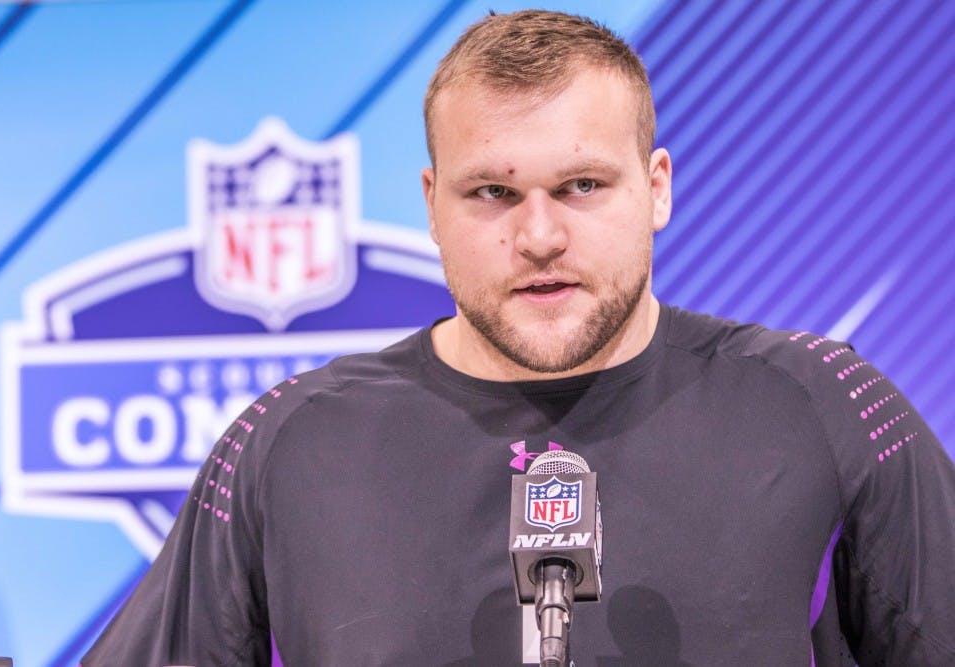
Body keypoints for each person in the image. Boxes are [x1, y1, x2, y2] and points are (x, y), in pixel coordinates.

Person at [83, 10, 955, 666]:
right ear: (431, 204)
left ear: (657, 188)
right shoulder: (286, 445)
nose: (538, 236)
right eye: (493, 194)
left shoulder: (836, 410)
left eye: (580, 184)